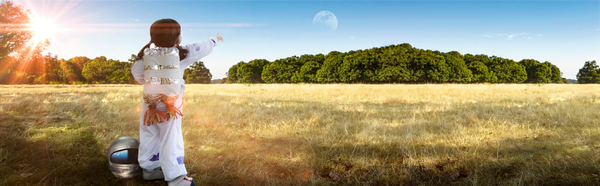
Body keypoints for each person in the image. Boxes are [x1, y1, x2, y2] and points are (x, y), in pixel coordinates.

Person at [131, 18, 222, 186]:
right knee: (171, 138)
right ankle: (176, 178)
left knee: (149, 133)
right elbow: (202, 48)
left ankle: (150, 167)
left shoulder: (145, 58)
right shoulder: (182, 54)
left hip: (149, 105)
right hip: (170, 107)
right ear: (177, 36)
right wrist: (214, 40)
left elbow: (137, 75)